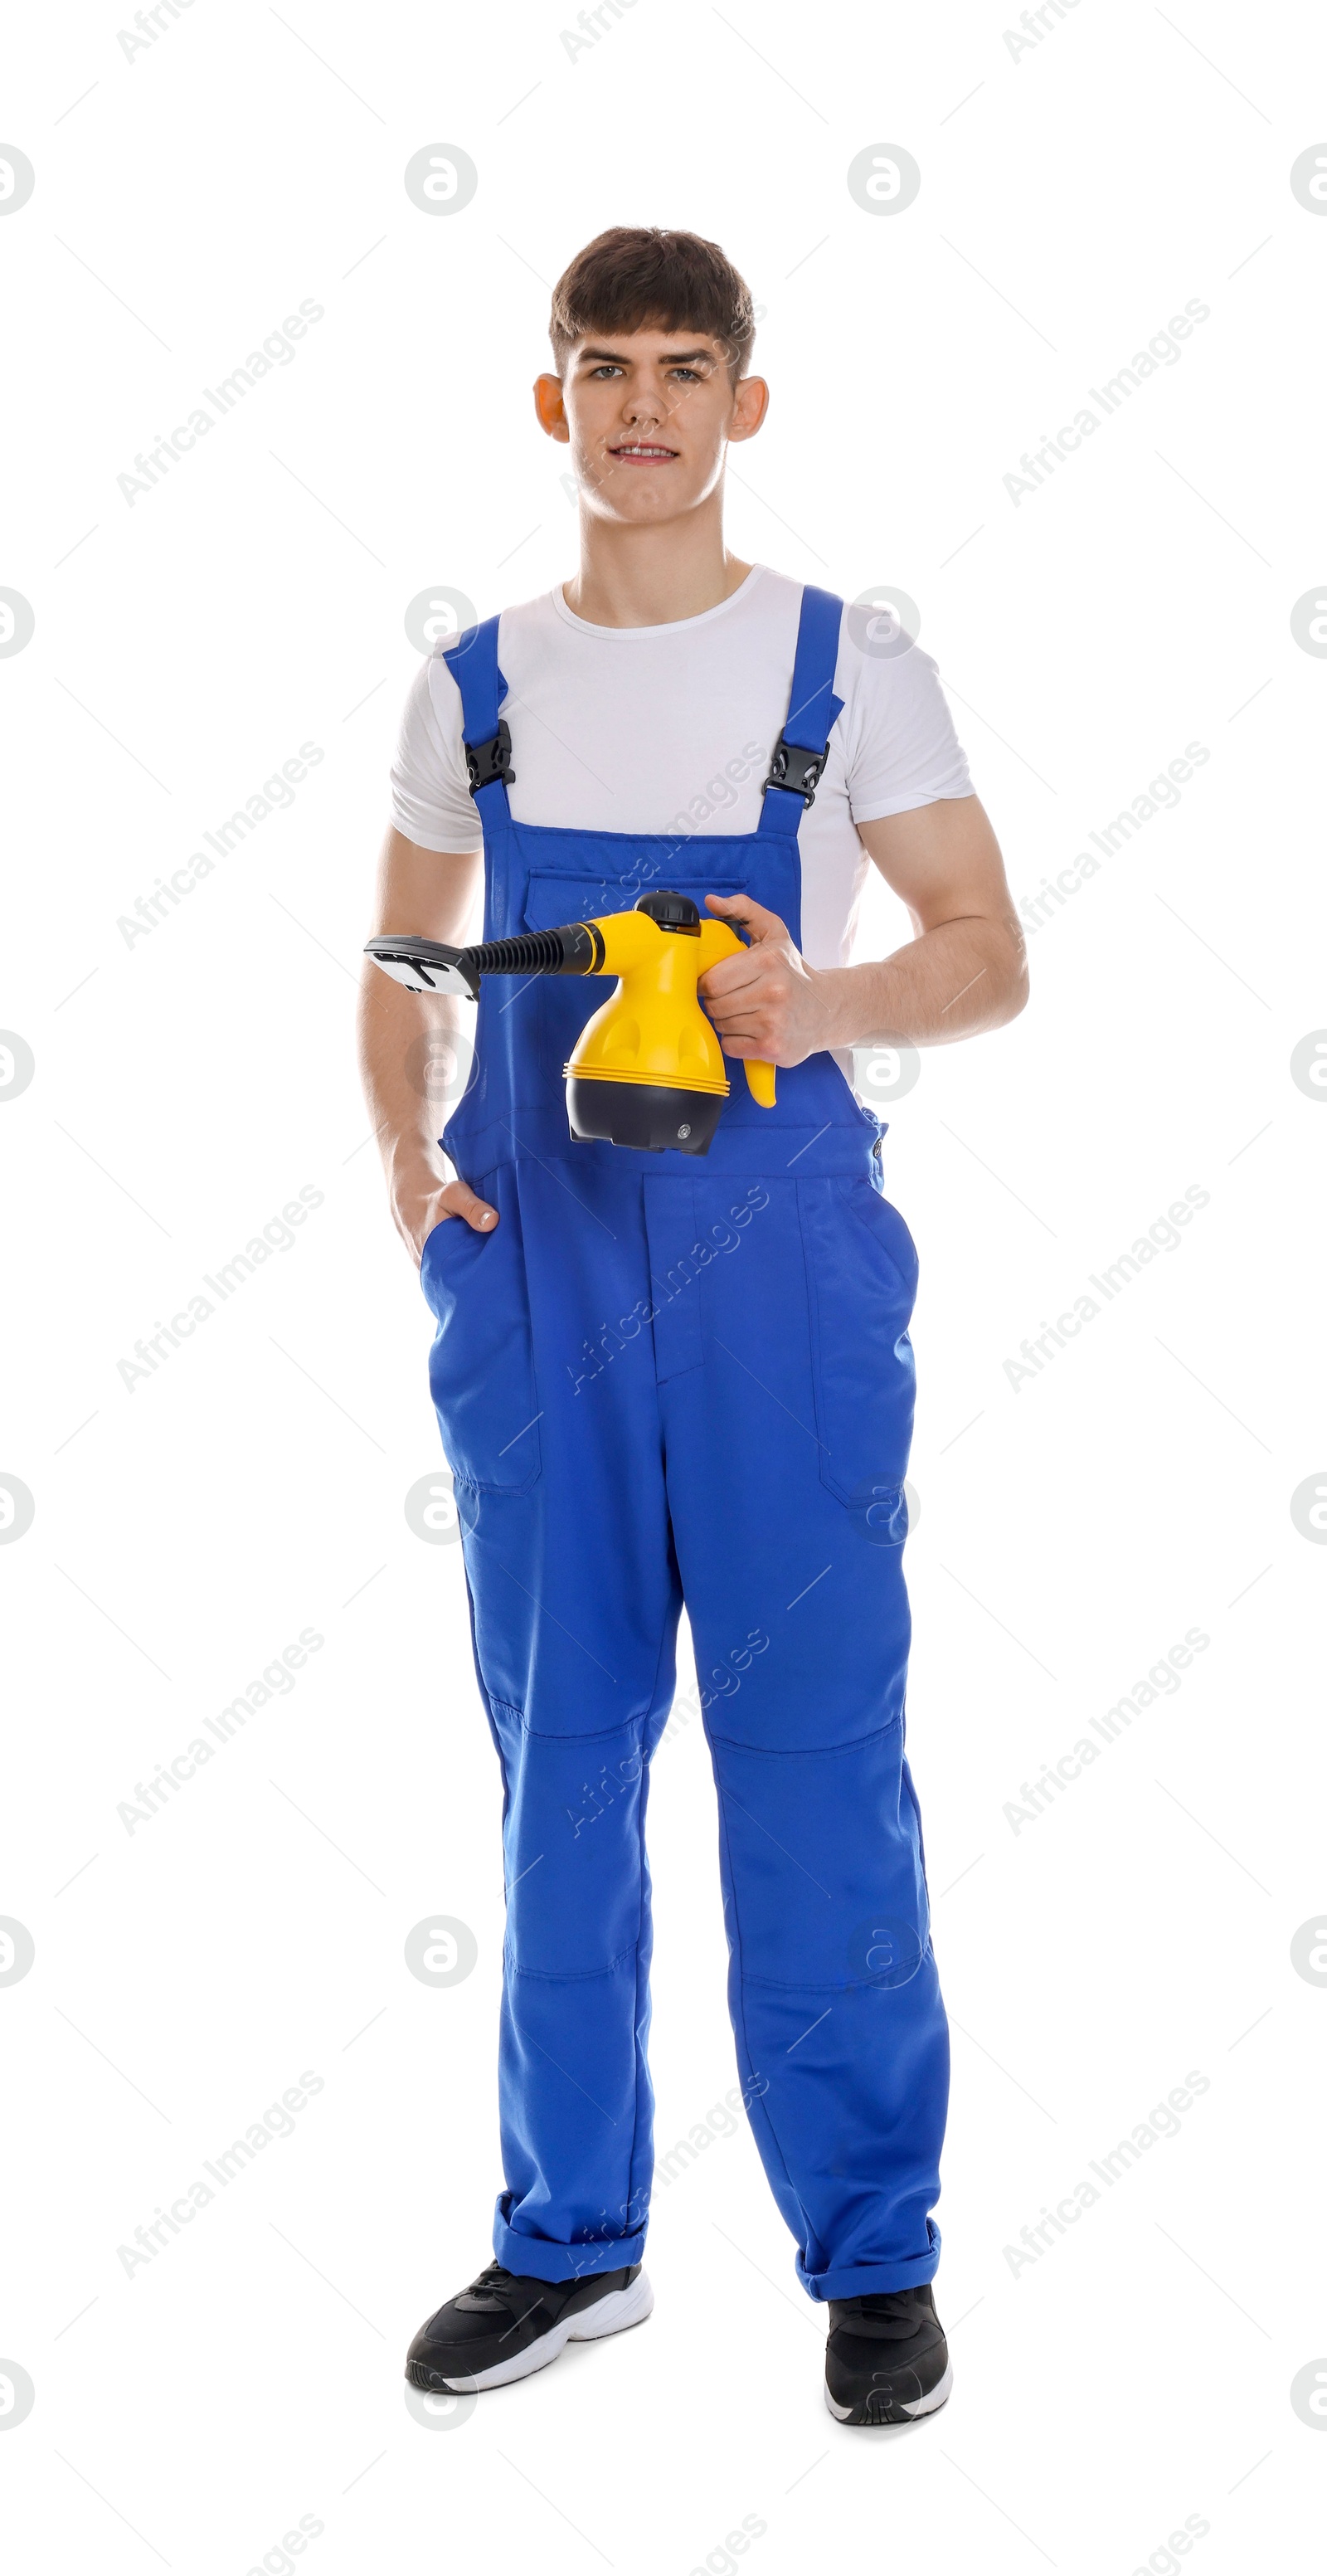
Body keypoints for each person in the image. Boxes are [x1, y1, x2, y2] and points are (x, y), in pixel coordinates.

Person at [358, 226, 1028, 2427]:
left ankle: (876, 2256)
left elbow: (985, 947)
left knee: (816, 1750)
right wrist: (401, 1159)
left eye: (684, 366)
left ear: (749, 406)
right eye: (602, 366)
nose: (642, 402)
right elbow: (397, 955)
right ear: (551, 405)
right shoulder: (476, 682)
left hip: (785, 1274)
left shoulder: (847, 667)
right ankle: (571, 2239)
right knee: (560, 1755)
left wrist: (816, 998)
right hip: (535, 1260)